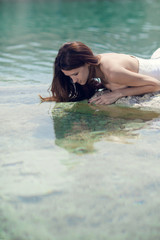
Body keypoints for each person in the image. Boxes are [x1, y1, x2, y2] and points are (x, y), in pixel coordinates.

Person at [39, 41, 160, 105]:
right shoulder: (97, 67)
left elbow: (156, 85)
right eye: (69, 76)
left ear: (87, 63)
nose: (74, 80)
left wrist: (119, 93)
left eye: (75, 74)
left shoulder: (112, 72)